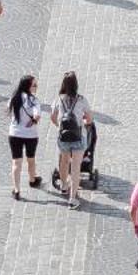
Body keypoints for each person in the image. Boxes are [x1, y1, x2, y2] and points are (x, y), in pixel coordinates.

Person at [52, 70, 94, 207]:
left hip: (63, 137)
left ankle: (64, 185)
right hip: (78, 137)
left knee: (64, 162)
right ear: (76, 84)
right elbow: (89, 119)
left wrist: (60, 126)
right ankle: (73, 198)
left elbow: (53, 118)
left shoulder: (59, 99)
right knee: (76, 167)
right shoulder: (81, 100)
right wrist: (81, 122)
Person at [7, 74, 45, 198]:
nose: (36, 87)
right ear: (28, 86)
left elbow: (8, 110)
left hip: (15, 134)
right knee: (31, 159)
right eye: (34, 85)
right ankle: (32, 179)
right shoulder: (33, 100)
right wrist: (33, 121)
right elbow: (37, 115)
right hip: (30, 135)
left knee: (16, 162)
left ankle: (16, 190)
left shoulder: (14, 97)